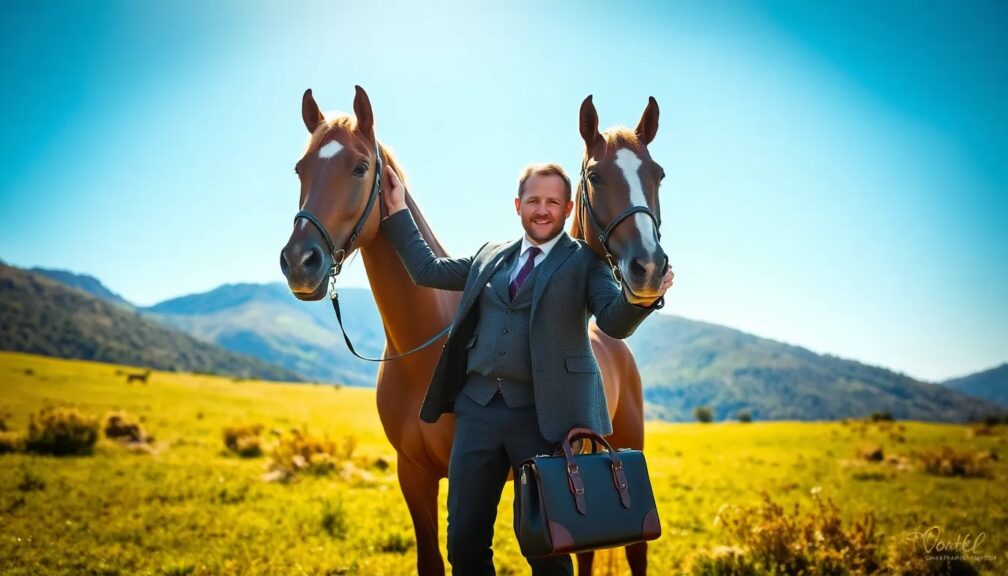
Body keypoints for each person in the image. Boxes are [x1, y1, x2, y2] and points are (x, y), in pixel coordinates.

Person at [380, 162, 673, 575]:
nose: (542, 209)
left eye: (553, 201)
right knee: (464, 543)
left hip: (540, 420)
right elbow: (426, 270)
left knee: (547, 549)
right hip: (476, 413)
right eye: (533, 200)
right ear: (518, 205)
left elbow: (611, 321)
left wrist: (642, 299)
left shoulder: (585, 263)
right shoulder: (489, 256)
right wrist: (396, 212)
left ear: (568, 208)